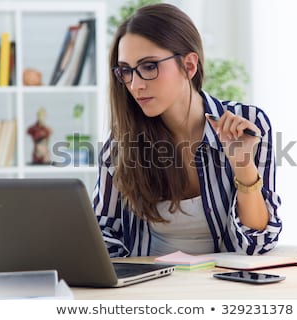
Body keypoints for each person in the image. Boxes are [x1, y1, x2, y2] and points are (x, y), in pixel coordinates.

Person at [93, 3, 282, 257]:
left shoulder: (248, 123)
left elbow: (257, 244)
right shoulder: (120, 145)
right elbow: (103, 232)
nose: (135, 85)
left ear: (189, 66)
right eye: (126, 71)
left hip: (223, 285)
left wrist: (243, 166)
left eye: (149, 66)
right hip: (150, 287)